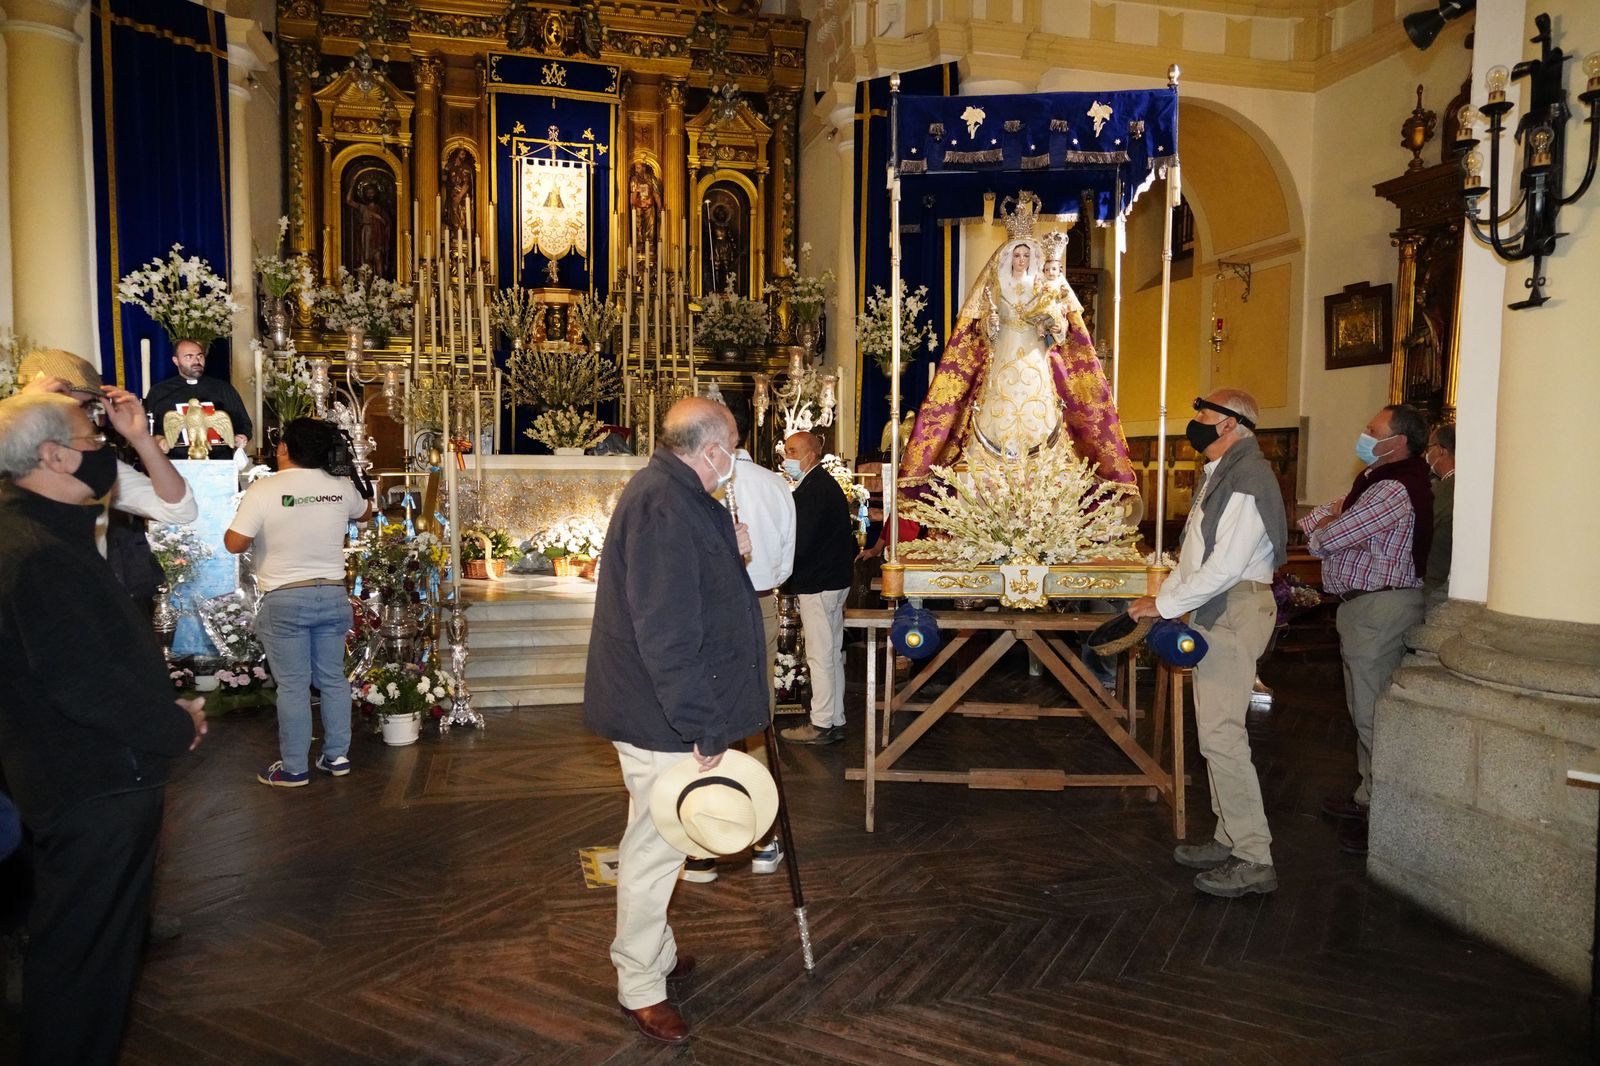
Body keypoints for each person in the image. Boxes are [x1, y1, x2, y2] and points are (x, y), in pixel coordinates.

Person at [0, 391, 206, 1065]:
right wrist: (172, 726)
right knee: (86, 962)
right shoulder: (37, 552)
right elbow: (81, 679)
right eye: (92, 441)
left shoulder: (30, 527)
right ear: (53, 456)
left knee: (81, 947)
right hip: (94, 778)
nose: (103, 454)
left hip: (72, 773)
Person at [583, 397, 767, 1046]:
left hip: (656, 709)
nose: (734, 463)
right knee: (657, 847)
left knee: (653, 835)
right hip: (661, 713)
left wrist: (727, 542)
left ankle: (653, 955)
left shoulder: (677, 493)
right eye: (733, 449)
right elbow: (666, 631)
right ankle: (639, 982)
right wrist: (701, 724)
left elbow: (693, 581)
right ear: (710, 448)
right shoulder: (665, 503)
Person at [1129, 389, 1287, 898]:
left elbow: (1226, 565)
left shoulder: (1249, 475)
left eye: (1204, 414)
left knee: (1222, 737)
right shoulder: (1221, 474)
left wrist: (1166, 605)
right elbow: (1198, 559)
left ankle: (1253, 855)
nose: (1195, 422)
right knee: (1213, 735)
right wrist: (1169, 596)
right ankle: (1228, 836)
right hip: (1217, 608)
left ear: (1231, 424)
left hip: (1234, 610)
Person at [899, 194, 1136, 496]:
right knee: (999, 401)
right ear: (1008, 256)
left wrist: (1052, 325)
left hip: (1036, 356)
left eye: (1026, 256)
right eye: (1017, 255)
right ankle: (992, 455)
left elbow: (1063, 332)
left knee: (1040, 404)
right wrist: (991, 326)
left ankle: (1042, 454)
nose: (1022, 261)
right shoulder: (994, 287)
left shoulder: (1046, 287)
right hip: (1005, 354)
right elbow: (980, 332)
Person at [1301, 403, 1432, 855]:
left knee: (1372, 713)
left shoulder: (1394, 488)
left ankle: (1387, 814)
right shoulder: (1374, 482)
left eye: (1373, 429)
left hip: (1381, 607)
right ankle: (1367, 796)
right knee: (1364, 707)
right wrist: (1329, 521)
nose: (1364, 434)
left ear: (1398, 442)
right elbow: (1311, 522)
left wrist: (1330, 523)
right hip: (1364, 609)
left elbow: (1327, 538)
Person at [225, 418, 370, 787]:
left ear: (285, 448)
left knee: (293, 685)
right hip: (333, 594)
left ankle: (294, 768)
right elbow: (365, 511)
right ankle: (337, 757)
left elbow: (234, 543)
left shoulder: (264, 489)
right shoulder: (340, 487)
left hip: (286, 598)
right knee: (333, 679)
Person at [778, 431, 858, 746]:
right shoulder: (817, 485)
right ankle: (834, 719)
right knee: (831, 653)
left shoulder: (814, 489)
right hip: (831, 581)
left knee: (820, 655)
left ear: (811, 455)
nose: (787, 457)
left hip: (819, 583)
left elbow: (802, 541)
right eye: (786, 451)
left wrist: (779, 567)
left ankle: (821, 723)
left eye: (793, 451)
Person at [143, 339, 252, 458]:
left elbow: (243, 424)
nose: (196, 361)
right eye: (189, 357)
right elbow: (148, 429)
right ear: (176, 361)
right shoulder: (159, 392)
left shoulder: (223, 388)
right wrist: (159, 440)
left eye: (200, 356)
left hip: (217, 461)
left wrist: (241, 437)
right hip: (175, 464)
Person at [1424, 422, 1455, 608]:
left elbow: (1417, 532)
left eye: (1429, 447)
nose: (1427, 454)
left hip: (1435, 584)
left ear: (1441, 450)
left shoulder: (1444, 490)